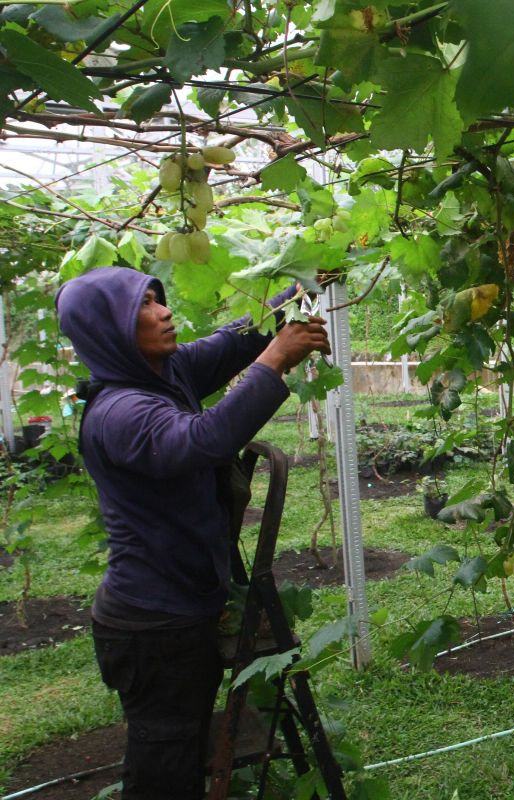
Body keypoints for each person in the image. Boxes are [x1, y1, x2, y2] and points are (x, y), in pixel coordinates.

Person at [55, 266, 330, 799]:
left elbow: (232, 342)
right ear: (108, 331)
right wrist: (276, 359)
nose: (163, 312)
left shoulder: (164, 372)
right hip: (152, 628)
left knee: (179, 748)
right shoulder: (120, 411)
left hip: (178, 611)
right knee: (165, 768)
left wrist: (302, 284)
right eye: (143, 307)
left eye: (159, 299)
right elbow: (204, 441)